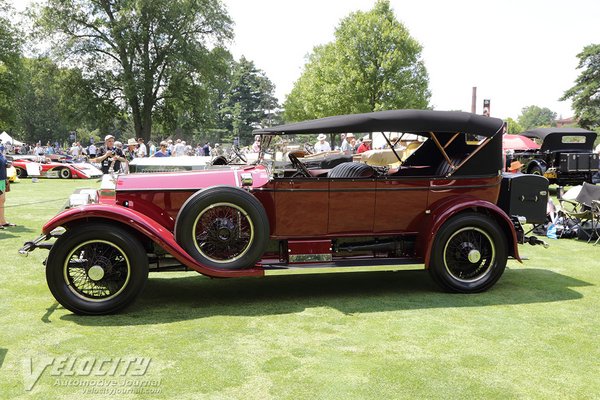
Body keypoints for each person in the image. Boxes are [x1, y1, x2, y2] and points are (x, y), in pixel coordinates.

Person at [0, 151, 15, 229]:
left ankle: (2, 221)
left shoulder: (1, 154)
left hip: (2, 179)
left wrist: (7, 165)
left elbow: (4, 164)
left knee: (2, 200)